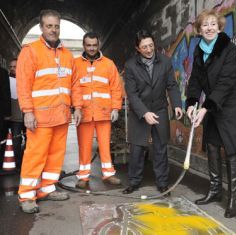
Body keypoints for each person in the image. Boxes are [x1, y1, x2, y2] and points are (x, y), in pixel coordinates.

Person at [185, 9, 236, 218]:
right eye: (205, 25)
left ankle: (233, 198)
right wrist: (191, 103)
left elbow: (226, 82)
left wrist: (205, 107)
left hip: (232, 103)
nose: (209, 28)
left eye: (212, 24)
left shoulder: (229, 48)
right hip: (213, 102)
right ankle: (215, 191)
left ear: (219, 27)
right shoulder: (198, 50)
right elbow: (196, 80)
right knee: (212, 143)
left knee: (230, 146)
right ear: (199, 30)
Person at [17, 9, 82, 214]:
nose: (53, 30)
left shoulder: (67, 54)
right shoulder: (31, 51)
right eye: (49, 26)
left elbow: (75, 84)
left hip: (62, 116)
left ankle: (46, 188)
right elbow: (23, 85)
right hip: (40, 117)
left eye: (56, 26)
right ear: (41, 27)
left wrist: (77, 107)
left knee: (56, 155)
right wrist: (27, 111)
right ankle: (27, 194)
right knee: (35, 155)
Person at [123, 29, 183, 195]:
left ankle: (163, 183)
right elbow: (132, 94)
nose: (149, 50)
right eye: (144, 47)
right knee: (136, 149)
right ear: (137, 48)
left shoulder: (165, 61)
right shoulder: (130, 65)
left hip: (160, 109)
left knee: (160, 147)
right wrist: (144, 113)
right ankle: (134, 182)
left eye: (151, 45)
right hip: (139, 110)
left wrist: (177, 104)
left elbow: (171, 85)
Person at [74, 32, 122, 189]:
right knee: (84, 145)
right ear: (83, 45)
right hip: (84, 113)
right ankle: (83, 176)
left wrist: (115, 108)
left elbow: (116, 88)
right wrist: (76, 108)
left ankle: (108, 173)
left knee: (105, 145)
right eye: (88, 45)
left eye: (94, 45)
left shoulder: (108, 64)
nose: (92, 48)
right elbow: (72, 88)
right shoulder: (75, 64)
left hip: (104, 112)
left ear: (98, 45)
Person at [8, 58, 26, 170]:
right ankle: (18, 164)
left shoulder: (26, 79)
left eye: (15, 66)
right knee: (15, 142)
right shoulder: (6, 81)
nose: (12, 69)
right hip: (15, 118)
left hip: (28, 116)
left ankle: (27, 163)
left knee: (30, 142)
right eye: (11, 67)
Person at [0, 66, 11, 170]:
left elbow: (6, 93)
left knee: (2, 139)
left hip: (1, 113)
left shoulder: (2, 73)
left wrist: (7, 113)